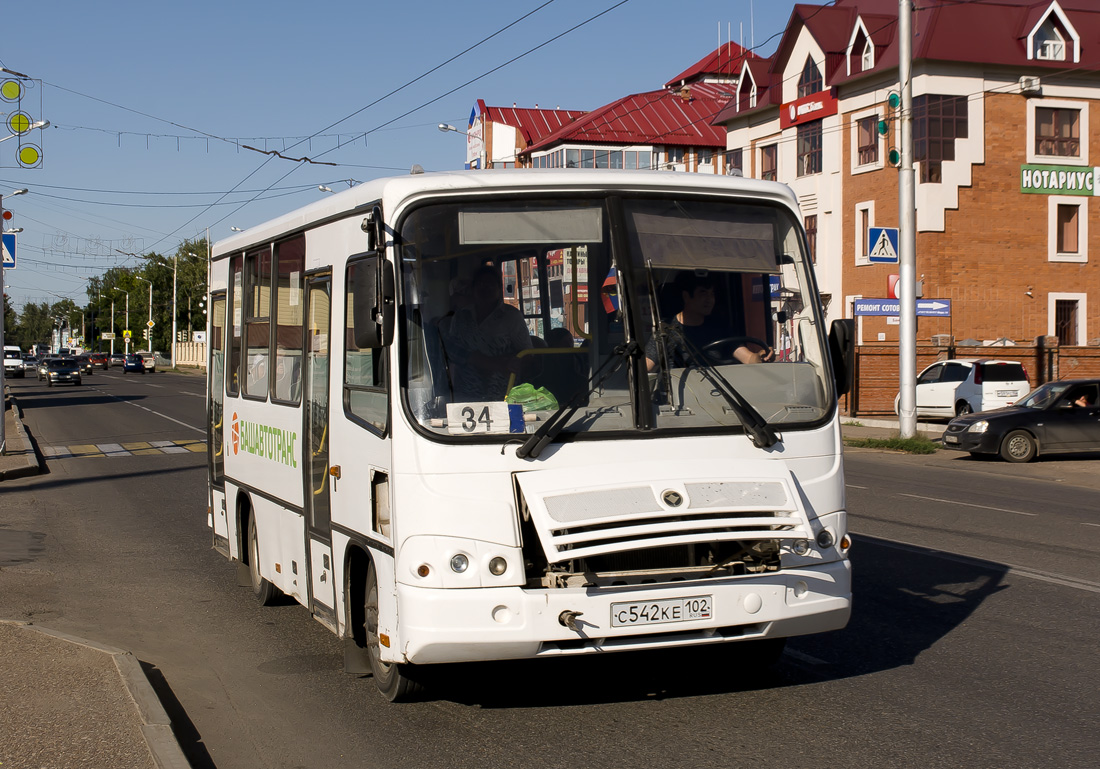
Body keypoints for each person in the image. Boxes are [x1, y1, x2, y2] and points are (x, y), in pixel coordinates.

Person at [645, 272, 773, 371]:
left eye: (712, 294)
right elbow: (645, 368)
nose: (709, 299)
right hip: (681, 399)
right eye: (703, 293)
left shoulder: (720, 328)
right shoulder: (666, 331)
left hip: (716, 394)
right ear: (686, 296)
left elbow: (749, 358)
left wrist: (761, 356)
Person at [441, 263, 532, 401]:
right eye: (481, 283)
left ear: (499, 288)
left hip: (502, 393)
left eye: (491, 284)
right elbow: (451, 351)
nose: (486, 288)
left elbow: (527, 354)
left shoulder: (511, 316)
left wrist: (512, 362)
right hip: (466, 393)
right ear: (473, 287)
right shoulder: (461, 316)